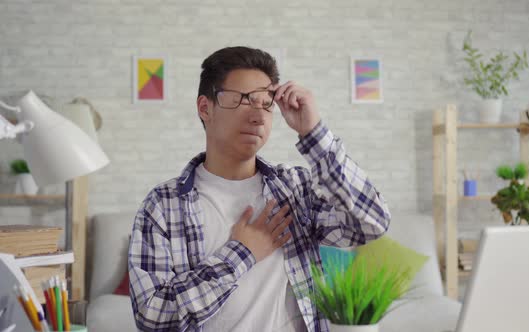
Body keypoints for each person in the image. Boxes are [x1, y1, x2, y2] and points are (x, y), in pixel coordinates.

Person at [128, 46, 391, 332]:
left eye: (266, 103)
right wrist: (241, 253)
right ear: (205, 108)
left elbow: (371, 223)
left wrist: (314, 133)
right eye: (242, 100)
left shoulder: (295, 190)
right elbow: (153, 317)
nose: (258, 115)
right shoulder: (163, 205)